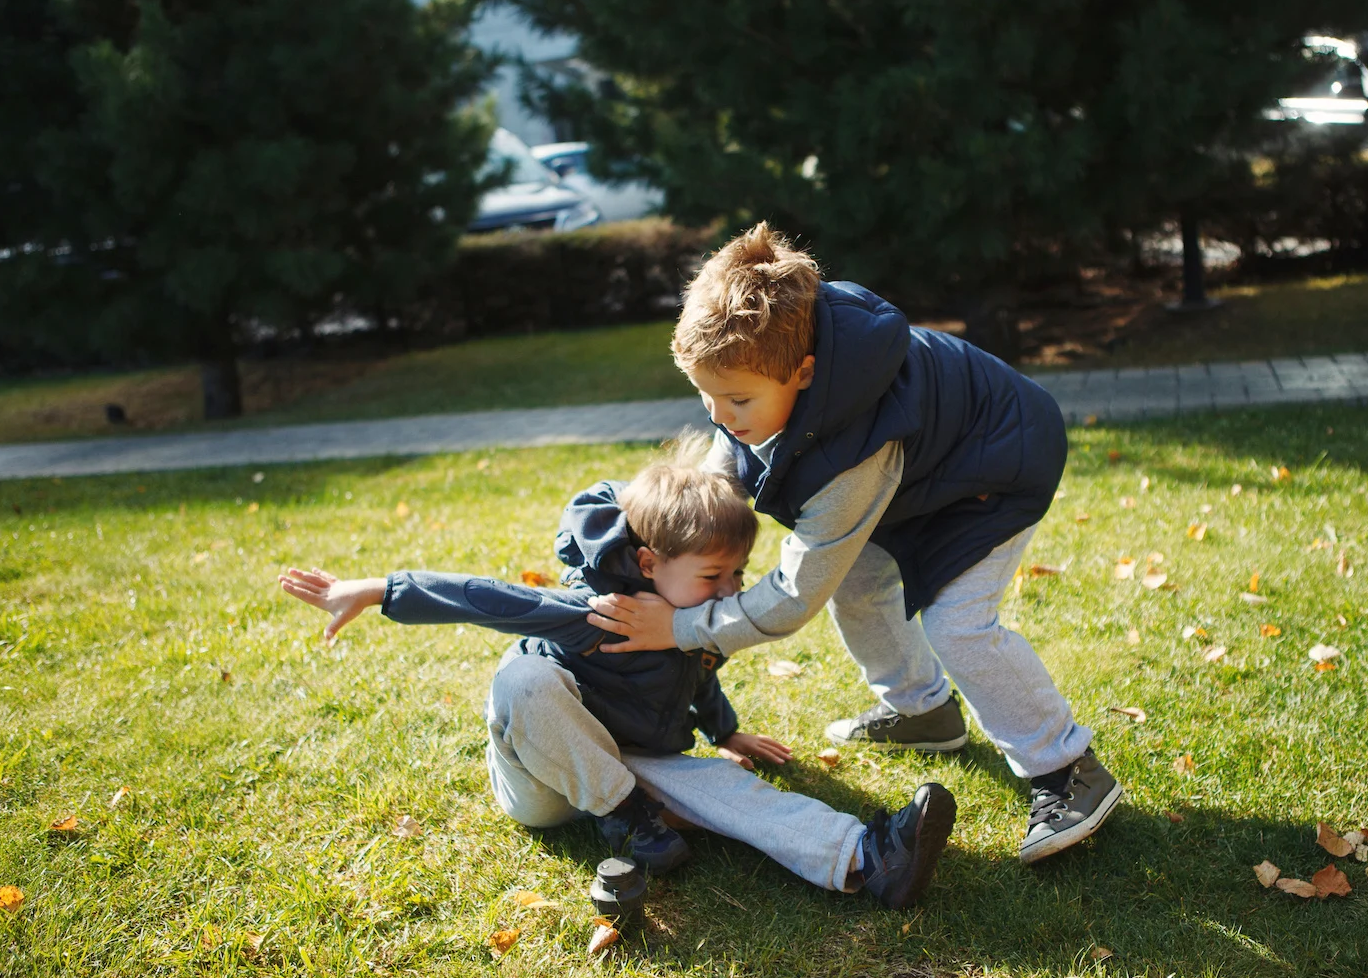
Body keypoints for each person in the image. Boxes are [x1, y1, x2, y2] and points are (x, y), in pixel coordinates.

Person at [583, 223, 1119, 866]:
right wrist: (637, 540)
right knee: (859, 585)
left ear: (804, 374)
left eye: (737, 399)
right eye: (707, 396)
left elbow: (795, 594)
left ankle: (1067, 767)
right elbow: (713, 492)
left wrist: (681, 628)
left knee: (957, 625)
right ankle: (923, 711)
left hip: (994, 470)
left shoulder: (856, 453)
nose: (719, 416)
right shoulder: (764, 372)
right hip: (920, 478)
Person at [275, 450, 956, 909]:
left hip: (626, 766)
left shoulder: (692, 619)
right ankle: (628, 817)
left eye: (737, 574)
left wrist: (726, 732)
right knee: (523, 679)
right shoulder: (596, 610)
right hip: (544, 779)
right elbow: (484, 598)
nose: (729, 590)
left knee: (724, 787)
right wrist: (378, 589)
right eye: (713, 575)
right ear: (649, 562)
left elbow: (696, 678)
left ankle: (868, 858)